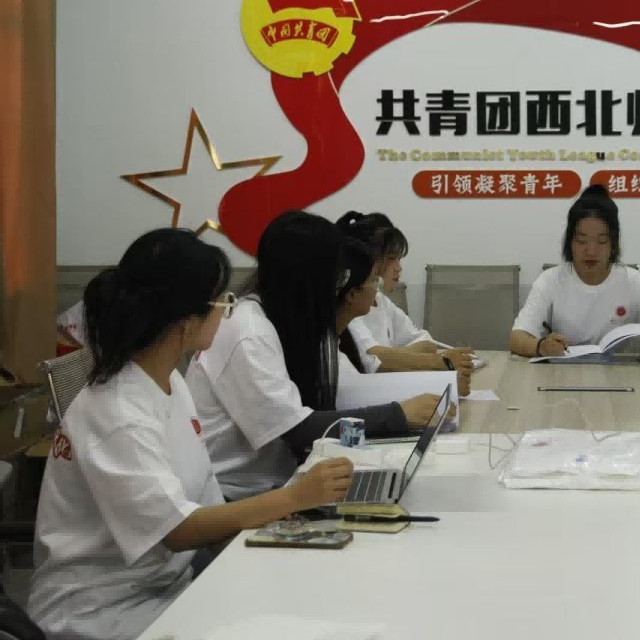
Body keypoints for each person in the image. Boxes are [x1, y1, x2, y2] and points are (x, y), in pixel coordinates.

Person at [27, 229, 353, 640]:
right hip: (101, 611)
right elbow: (178, 531)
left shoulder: (169, 383)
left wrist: (285, 538)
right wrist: (294, 497)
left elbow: (204, 505)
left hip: (166, 585)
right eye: (222, 301)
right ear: (185, 321)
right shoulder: (118, 412)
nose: (227, 312)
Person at [186, 211, 448, 500]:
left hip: (287, 482)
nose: (339, 289)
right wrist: (398, 415)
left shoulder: (291, 323)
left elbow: (331, 401)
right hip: (238, 499)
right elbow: (297, 429)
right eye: (337, 277)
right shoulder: (248, 331)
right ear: (309, 278)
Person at [510, 184, 640, 358]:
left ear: (613, 243)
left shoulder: (633, 281)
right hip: (563, 371)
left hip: (619, 373)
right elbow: (517, 337)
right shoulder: (550, 280)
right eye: (581, 241)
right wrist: (541, 346)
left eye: (602, 241)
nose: (591, 251)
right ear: (569, 242)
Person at [336, 211, 475, 383]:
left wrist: (397, 357)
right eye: (391, 258)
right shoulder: (349, 309)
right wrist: (439, 361)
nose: (398, 268)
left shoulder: (381, 301)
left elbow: (425, 342)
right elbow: (374, 360)